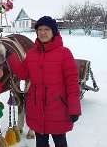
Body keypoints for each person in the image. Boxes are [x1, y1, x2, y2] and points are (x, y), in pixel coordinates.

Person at [5, 16, 81, 147]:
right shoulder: (32, 54)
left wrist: (74, 109)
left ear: (54, 32)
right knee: (40, 143)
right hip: (36, 109)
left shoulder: (64, 53)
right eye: (39, 29)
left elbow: (72, 84)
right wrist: (10, 56)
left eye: (47, 29)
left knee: (60, 142)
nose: (42, 32)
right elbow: (23, 73)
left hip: (58, 109)